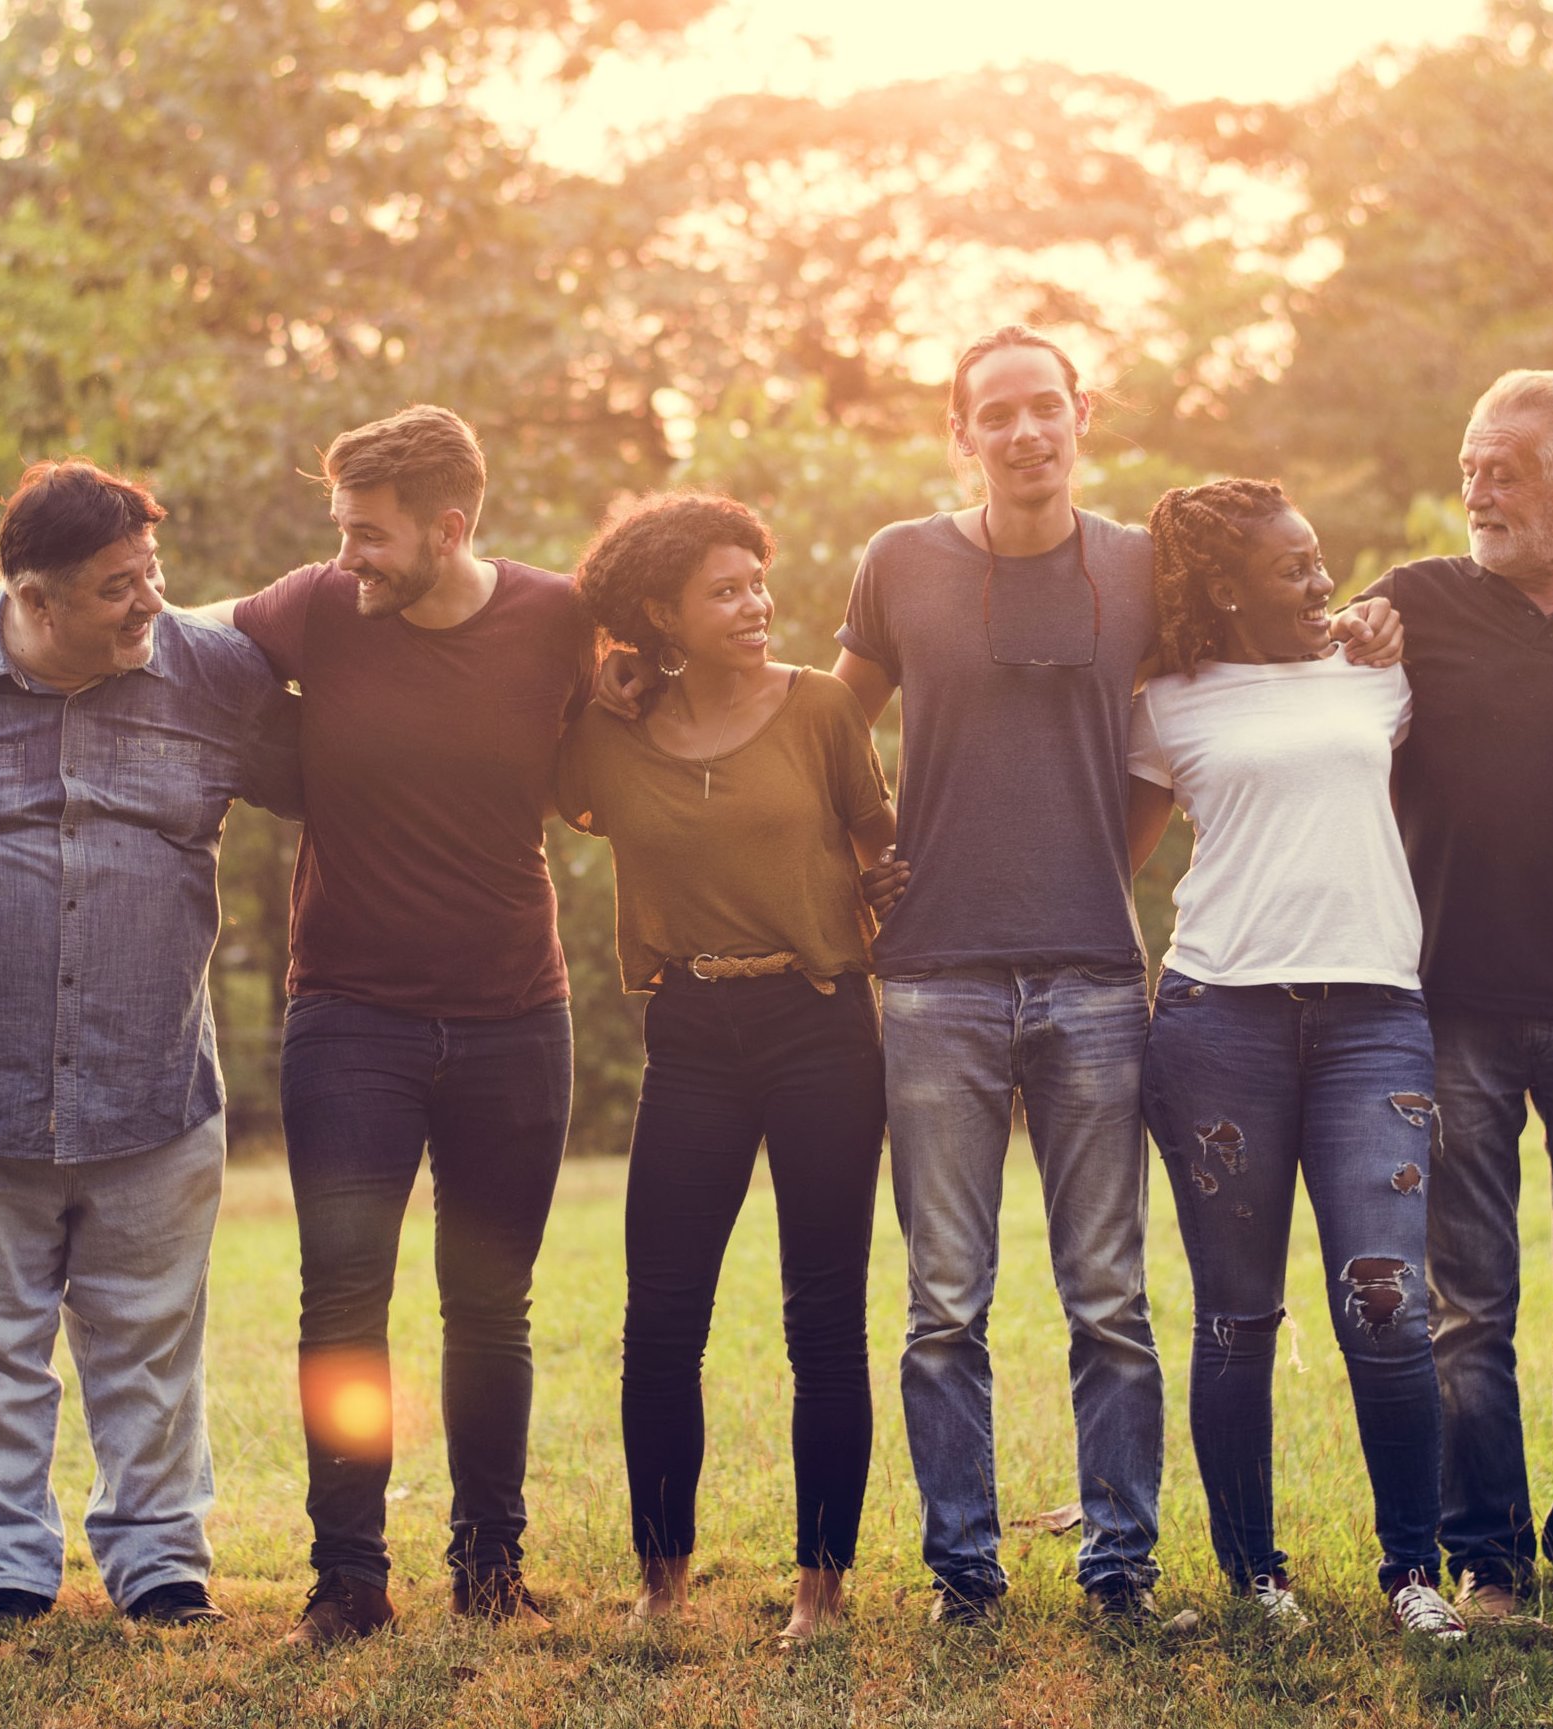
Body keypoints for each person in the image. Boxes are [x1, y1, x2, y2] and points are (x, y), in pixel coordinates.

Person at [601, 325, 1399, 1625]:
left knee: (1109, 1298)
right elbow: (814, 728)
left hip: (1094, 979)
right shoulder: (899, 564)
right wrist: (663, 695)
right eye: (997, 414)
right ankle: (963, 1574)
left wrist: (1368, 621)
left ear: (1081, 415)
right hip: (931, 986)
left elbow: (1244, 660)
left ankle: (1120, 1569)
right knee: (942, 1304)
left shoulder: (1141, 572)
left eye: (1046, 407)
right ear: (960, 434)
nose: (1025, 432)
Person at [199, 404, 596, 1645]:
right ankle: (349, 1579)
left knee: (490, 1307)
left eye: (368, 534)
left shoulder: (554, 619)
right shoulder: (320, 605)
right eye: (339, 531)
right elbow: (165, 634)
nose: (346, 555)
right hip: (350, 1020)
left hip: (514, 1017)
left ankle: (489, 1563)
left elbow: (646, 704)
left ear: (449, 526)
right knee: (343, 1304)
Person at [0, 459, 300, 1631]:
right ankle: (8, 1571)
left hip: (153, 1088)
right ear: (31, 595)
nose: (149, 603)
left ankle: (161, 1561)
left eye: (153, 573)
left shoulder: (212, 674)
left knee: (149, 1349)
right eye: (117, 586)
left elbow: (366, 766)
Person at [1127, 479, 1465, 1640]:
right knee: (1236, 1316)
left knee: (1387, 1302)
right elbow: (1108, 864)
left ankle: (1412, 1572)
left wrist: (1382, 619)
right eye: (1293, 568)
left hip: (1376, 1016)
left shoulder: (1381, 673)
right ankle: (1252, 1580)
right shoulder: (1164, 701)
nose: (1322, 583)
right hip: (1221, 1019)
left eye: (1322, 560)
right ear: (1223, 587)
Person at [557, 492, 895, 1643]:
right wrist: (599, 665)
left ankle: (821, 1586)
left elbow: (878, 846)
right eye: (724, 590)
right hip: (691, 1028)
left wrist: (884, 901)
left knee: (824, 1317)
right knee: (659, 1316)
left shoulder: (823, 707)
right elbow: (522, 679)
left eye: (758, 582)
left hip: (820, 1023)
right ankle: (662, 1576)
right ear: (660, 610)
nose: (754, 605)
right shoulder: (604, 731)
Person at [1362, 370, 1553, 1614]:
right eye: (1470, 463)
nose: (1477, 487)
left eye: (1506, 468)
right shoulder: (1419, 601)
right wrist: (1355, 632)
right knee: (1468, 1310)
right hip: (1452, 1004)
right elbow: (1320, 666)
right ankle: (1487, 1556)